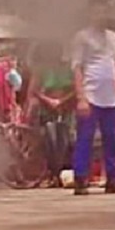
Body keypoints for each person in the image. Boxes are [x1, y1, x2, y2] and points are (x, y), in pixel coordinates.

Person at [71, 0, 115, 195]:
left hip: (112, 97)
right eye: (97, 11)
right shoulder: (81, 37)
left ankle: (113, 179)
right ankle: (81, 178)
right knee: (85, 138)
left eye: (104, 11)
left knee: (113, 138)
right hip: (91, 95)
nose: (101, 15)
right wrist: (81, 97)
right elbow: (77, 68)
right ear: (90, 13)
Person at [28, 43, 76, 187]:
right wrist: (49, 100)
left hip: (66, 109)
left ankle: (64, 173)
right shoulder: (42, 70)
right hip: (47, 110)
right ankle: (52, 174)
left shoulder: (68, 68)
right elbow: (34, 90)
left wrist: (62, 100)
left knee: (66, 142)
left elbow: (77, 88)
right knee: (50, 143)